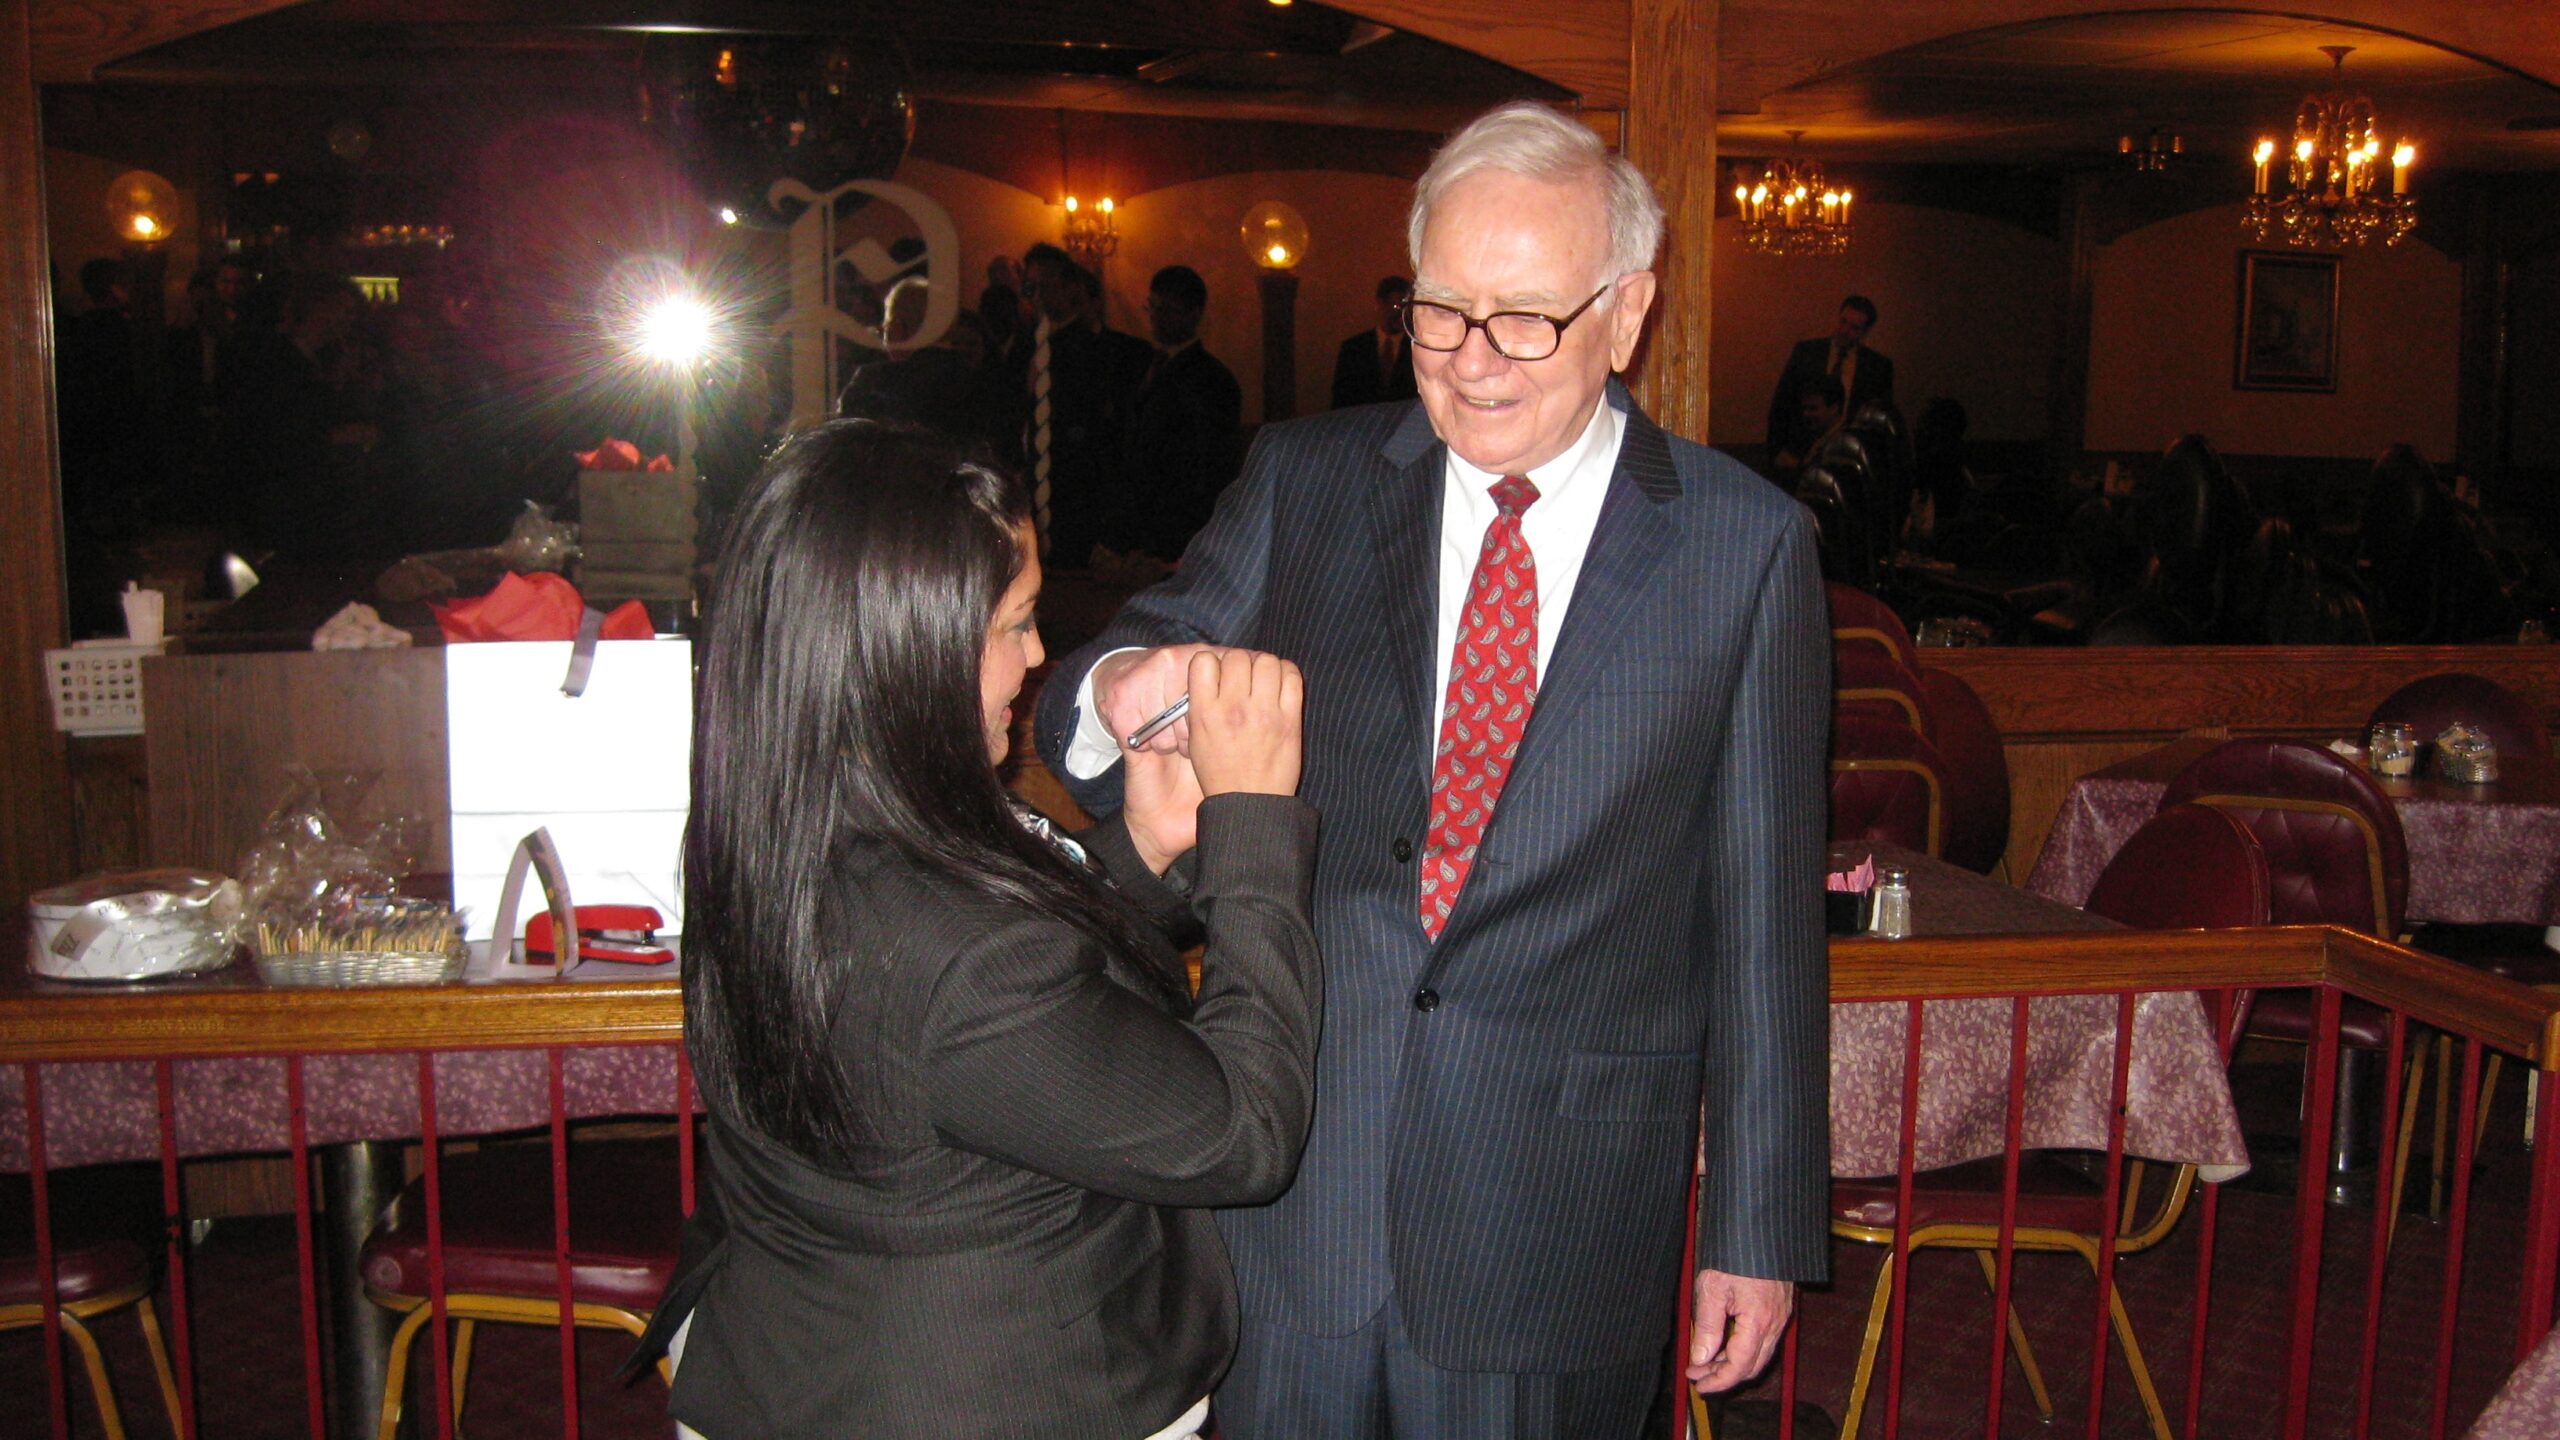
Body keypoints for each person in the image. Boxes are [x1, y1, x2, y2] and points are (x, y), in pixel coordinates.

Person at [1035, 101, 1828, 1438]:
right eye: (1440, 313)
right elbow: (1097, 688)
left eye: (1527, 318)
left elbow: (1762, 930)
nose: (1471, 362)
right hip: (1295, 1192)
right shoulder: (1310, 479)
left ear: (1627, 314)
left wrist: (1758, 1224)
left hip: (1559, 1218)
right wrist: (1127, 690)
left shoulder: (1743, 552)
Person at [637, 419, 1323, 1440]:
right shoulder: (952, 944)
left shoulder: (783, 815)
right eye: (1012, 623)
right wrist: (1257, 828)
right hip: (983, 1394)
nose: (1040, 654)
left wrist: (1141, 843)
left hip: (800, 1363)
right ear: (909, 643)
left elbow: (977, 1023)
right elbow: (1240, 1136)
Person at [1019, 243, 1153, 566]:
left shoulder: (1093, 351)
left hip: (1077, 495)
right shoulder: (1024, 345)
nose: (1036, 297)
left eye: (1046, 287)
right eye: (1030, 287)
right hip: (1033, 488)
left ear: (1069, 288)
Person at [1127, 264, 1243, 558]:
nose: (1155, 318)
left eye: (1167, 309)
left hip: (1181, 522)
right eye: (1152, 307)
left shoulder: (1212, 378)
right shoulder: (1142, 363)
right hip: (1142, 516)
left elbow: (1210, 461)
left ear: (1193, 315)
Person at [1767, 293, 1892, 473]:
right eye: (1843, 322)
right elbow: (1781, 404)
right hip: (1799, 455)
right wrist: (1777, 452)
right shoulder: (1807, 353)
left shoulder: (1877, 367)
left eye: (1854, 328)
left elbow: (1877, 422)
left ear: (1865, 332)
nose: (1844, 330)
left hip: (1847, 459)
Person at [1329, 275, 1419, 409]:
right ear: (1380, 304)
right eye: (1396, 306)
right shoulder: (1354, 348)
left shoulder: (1417, 349)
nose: (1401, 314)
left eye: (1406, 307)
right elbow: (1340, 398)